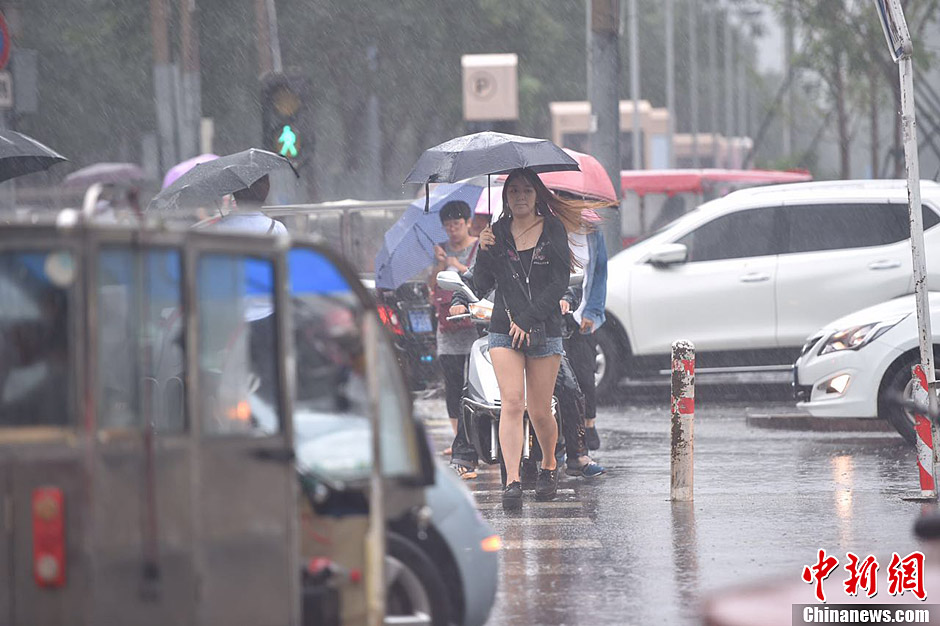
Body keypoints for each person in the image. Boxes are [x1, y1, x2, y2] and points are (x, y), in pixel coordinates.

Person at [468, 167, 595, 509]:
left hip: (544, 327)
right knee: (511, 402)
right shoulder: (496, 232)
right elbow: (481, 285)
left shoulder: (552, 228)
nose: (520, 196)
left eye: (526, 190)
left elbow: (558, 283)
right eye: (513, 191)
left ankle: (549, 464)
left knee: (540, 410)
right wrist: (483, 249)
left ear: (537, 194)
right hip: (502, 328)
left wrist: (527, 318)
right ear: (506, 198)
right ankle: (511, 481)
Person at [427, 200, 480, 476]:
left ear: (468, 222)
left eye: (457, 225)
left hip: (473, 328)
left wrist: (456, 265)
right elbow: (432, 287)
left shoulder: (478, 247)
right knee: (452, 382)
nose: (453, 230)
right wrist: (439, 265)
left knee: (474, 385)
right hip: (447, 328)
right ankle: (459, 438)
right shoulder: (441, 251)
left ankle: (474, 438)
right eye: (448, 226)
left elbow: (481, 281)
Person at [564, 226, 608, 451]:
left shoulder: (592, 232)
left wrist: (592, 311)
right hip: (557, 312)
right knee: (560, 380)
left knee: (584, 375)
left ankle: (588, 425)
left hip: (583, 313)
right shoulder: (548, 225)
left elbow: (600, 272)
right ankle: (564, 433)